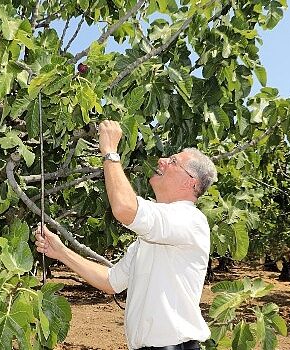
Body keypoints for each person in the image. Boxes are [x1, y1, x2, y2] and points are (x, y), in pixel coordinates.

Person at [34, 120, 217, 350]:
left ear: (190, 182)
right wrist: (60, 251)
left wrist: (110, 152)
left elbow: (124, 208)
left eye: (173, 162)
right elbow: (111, 282)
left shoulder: (190, 220)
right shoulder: (152, 237)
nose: (161, 161)